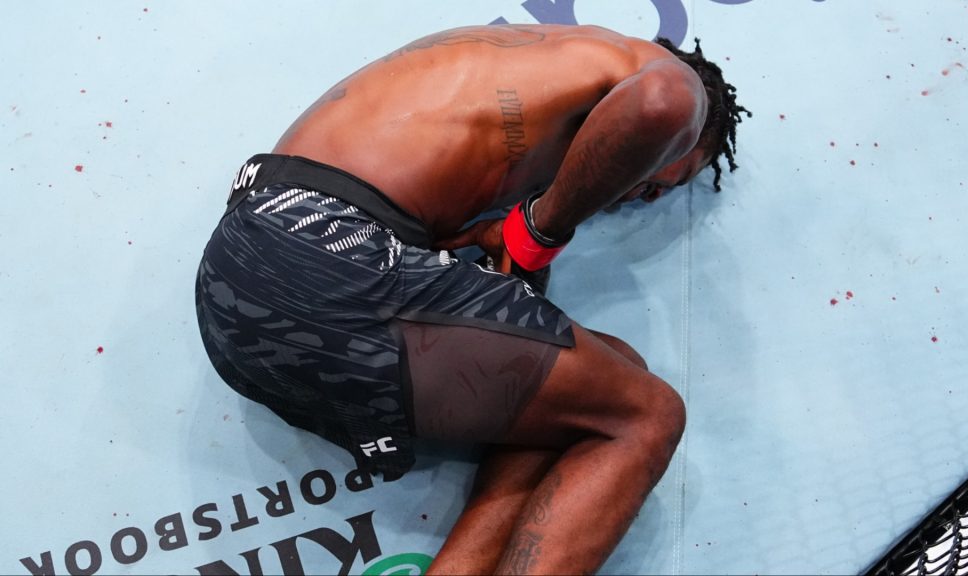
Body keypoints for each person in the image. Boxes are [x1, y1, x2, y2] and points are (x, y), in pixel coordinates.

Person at [195, 23, 748, 574]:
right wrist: (537, 230)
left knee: (594, 385)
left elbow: (512, 324)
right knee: (647, 415)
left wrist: (517, 240)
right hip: (319, 250)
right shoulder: (643, 69)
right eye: (660, 184)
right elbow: (661, 104)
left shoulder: (520, 82)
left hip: (244, 281)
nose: (637, 199)